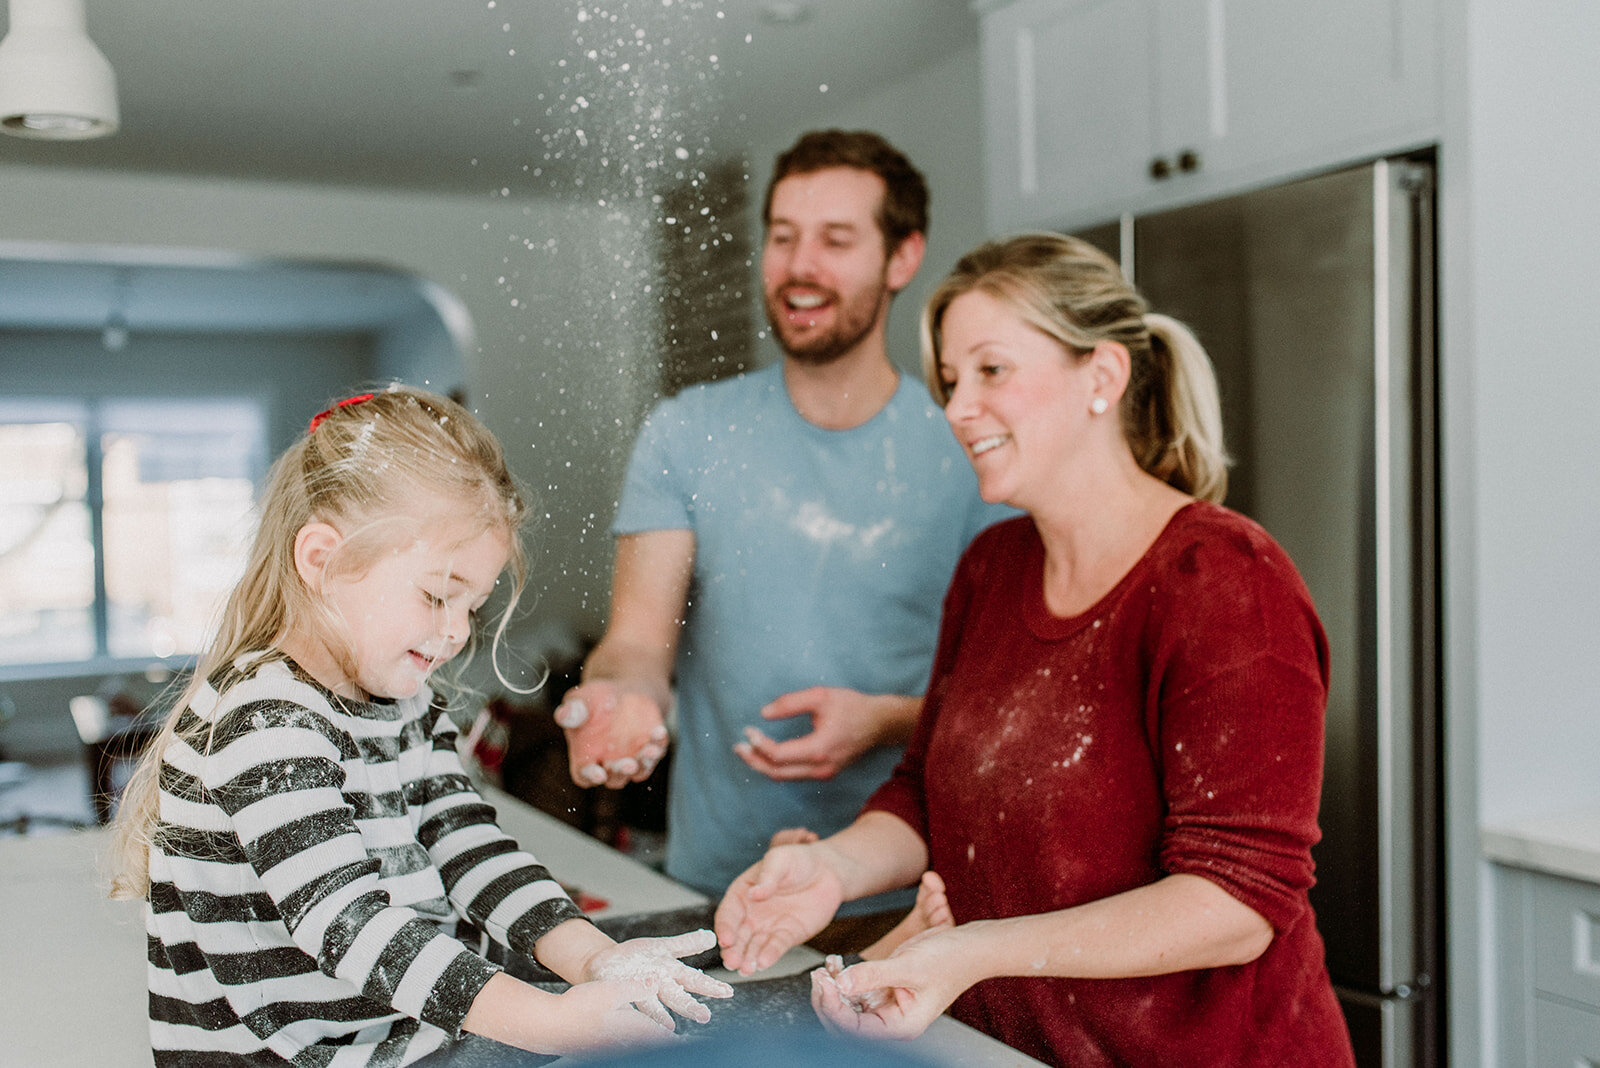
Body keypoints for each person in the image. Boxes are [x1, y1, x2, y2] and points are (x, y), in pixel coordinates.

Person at [715, 233, 1358, 1067]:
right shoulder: (994, 567)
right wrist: (832, 870)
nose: (957, 407)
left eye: (992, 370)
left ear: (1103, 377)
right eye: (950, 380)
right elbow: (926, 793)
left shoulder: (1226, 583)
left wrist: (975, 950)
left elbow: (1237, 903)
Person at [109, 386, 731, 1067]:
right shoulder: (267, 721)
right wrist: (554, 1024)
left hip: (393, 1037)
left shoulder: (406, 705)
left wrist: (594, 959)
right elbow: (348, 924)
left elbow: (470, 847)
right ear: (321, 559)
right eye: (438, 594)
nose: (458, 631)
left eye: (472, 604)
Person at [553, 129, 1008, 948]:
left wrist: (886, 721)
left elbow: (1008, 696)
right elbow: (636, 646)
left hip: (911, 904)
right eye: (784, 235)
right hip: (716, 891)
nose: (801, 266)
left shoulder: (974, 450)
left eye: (836, 241)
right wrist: (618, 700)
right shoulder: (686, 432)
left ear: (902, 259)